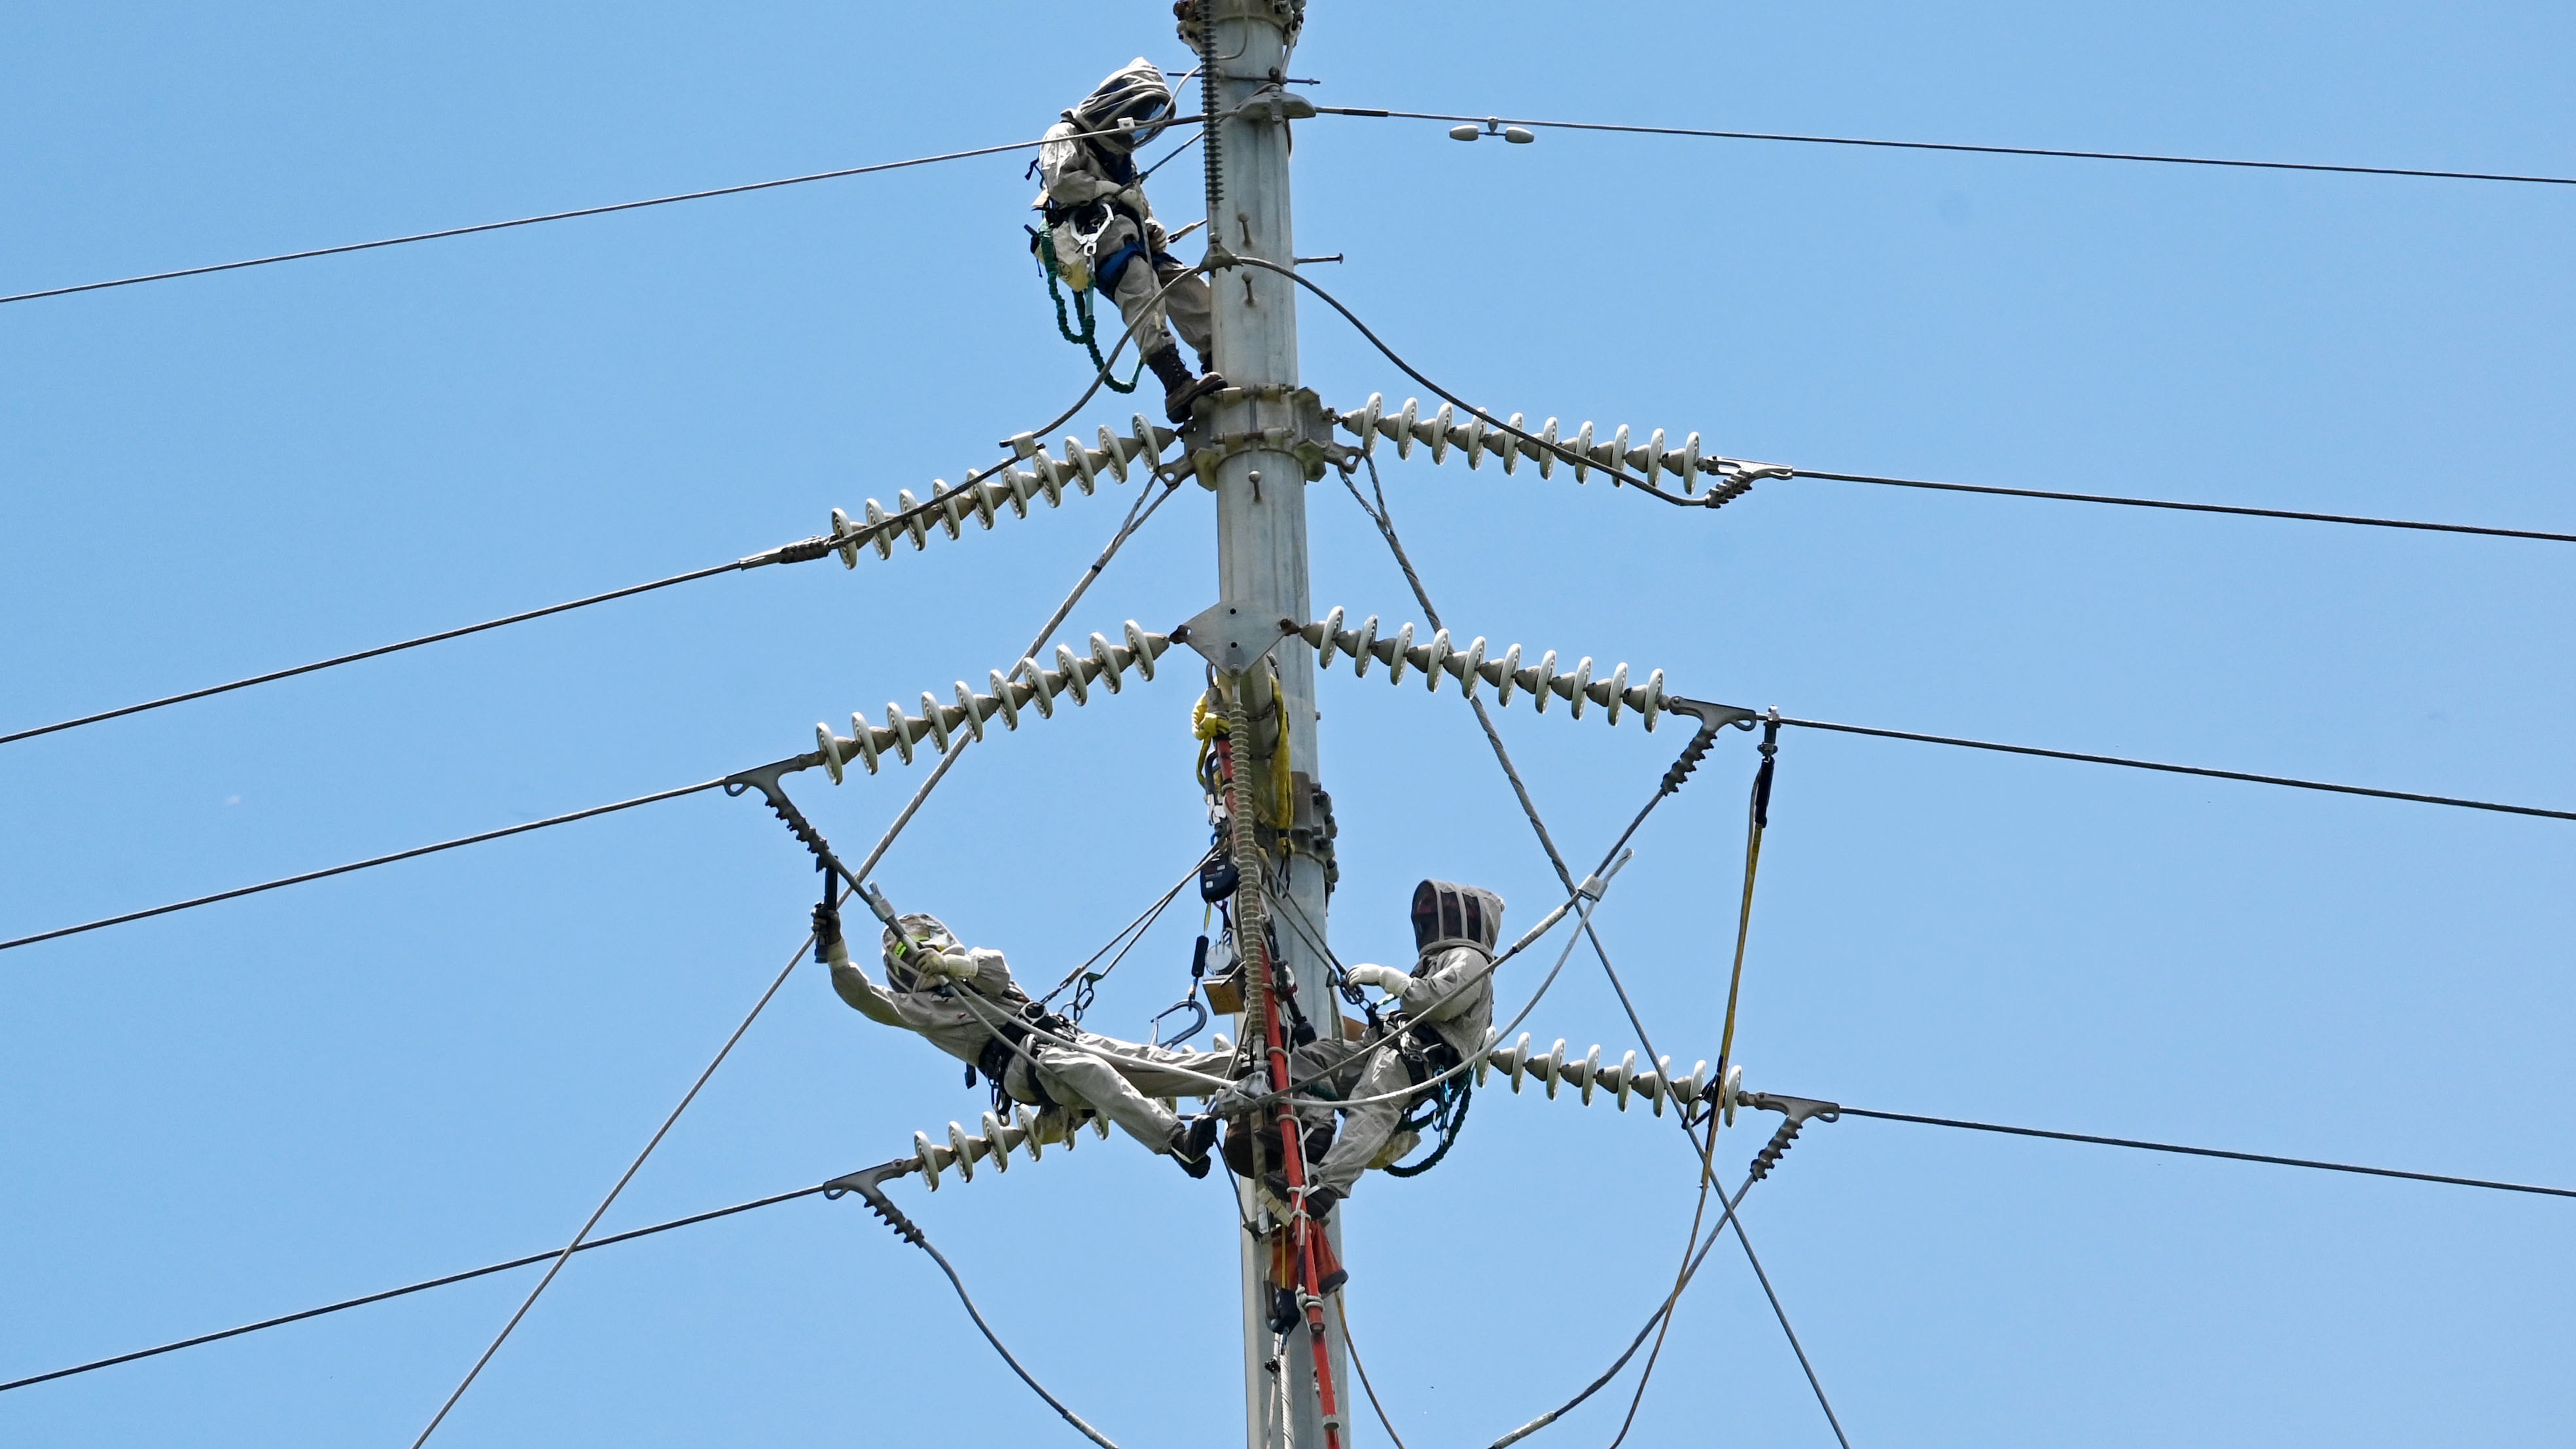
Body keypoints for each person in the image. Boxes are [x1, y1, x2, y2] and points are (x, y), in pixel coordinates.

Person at [814, 899, 1228, 1177]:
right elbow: (864, 997)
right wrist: (834, 947)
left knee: (1149, 1063)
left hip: (1063, 1038)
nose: (921, 955)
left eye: (924, 946)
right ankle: (1177, 1141)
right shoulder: (923, 1011)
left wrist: (954, 965)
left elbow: (996, 970)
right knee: (1092, 1072)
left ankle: (1245, 1070)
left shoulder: (973, 970)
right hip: (1026, 1063)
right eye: (910, 954)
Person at [1295, 880, 1509, 1216]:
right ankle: (1316, 1127)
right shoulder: (1439, 959)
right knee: (1315, 1060)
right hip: (1387, 1044)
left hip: (1418, 1056)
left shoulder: (1471, 959)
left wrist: (1387, 979)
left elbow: (1440, 1001)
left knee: (1371, 1104)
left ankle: (1326, 1186)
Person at [1033, 57, 1223, 423]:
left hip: (1133, 239)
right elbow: (1061, 182)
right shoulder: (1065, 134)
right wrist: (1106, 189)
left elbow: (1138, 203)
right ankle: (1176, 382)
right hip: (1095, 237)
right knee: (1138, 285)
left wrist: (1152, 226)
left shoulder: (1122, 158)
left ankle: (1220, 356)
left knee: (1188, 288)